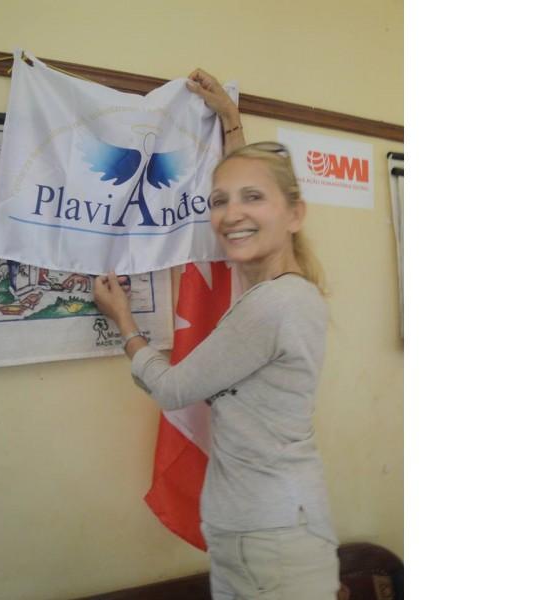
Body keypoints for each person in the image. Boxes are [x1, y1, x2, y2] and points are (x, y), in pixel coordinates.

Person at [93, 70, 339, 600]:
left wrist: (125, 323)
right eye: (219, 201)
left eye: (252, 198)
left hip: (271, 542)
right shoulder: (282, 290)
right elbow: (250, 215)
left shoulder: (273, 305)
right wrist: (230, 122)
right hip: (266, 529)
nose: (231, 214)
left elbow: (173, 389)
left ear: (295, 213)